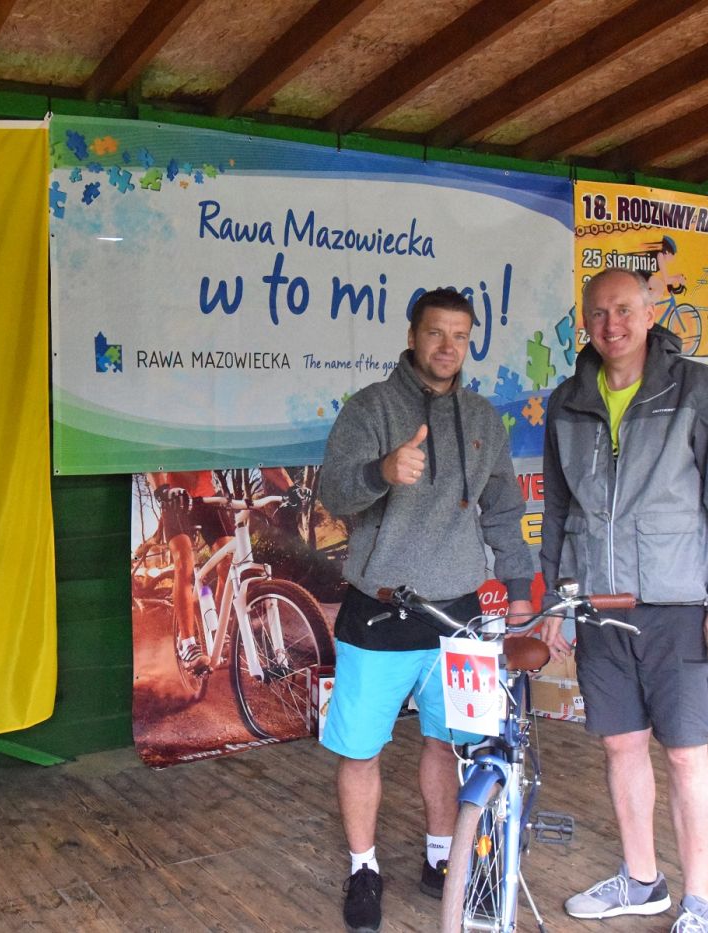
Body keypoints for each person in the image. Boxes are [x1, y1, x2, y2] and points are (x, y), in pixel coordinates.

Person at [540, 269, 708, 933]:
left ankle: (698, 903)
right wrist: (558, 599)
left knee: (686, 752)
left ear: (650, 311)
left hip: (678, 603)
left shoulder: (698, 389)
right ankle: (641, 880)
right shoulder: (568, 400)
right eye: (599, 313)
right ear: (585, 321)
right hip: (600, 606)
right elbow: (559, 509)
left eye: (625, 309)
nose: (613, 325)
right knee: (621, 747)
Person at [317, 287, 535, 933]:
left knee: (448, 744)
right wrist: (381, 470)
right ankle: (363, 868)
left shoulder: (482, 417)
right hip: (380, 611)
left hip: (459, 616)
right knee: (361, 749)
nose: (448, 346)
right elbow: (333, 492)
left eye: (460, 335)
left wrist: (519, 587)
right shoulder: (370, 408)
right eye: (436, 332)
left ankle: (443, 856)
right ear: (413, 337)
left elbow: (503, 508)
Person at [148, 468, 309, 674]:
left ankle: (217, 631)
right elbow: (155, 460)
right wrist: (162, 490)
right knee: (184, 562)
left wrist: (291, 488)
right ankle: (186, 642)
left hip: (210, 499)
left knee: (229, 560)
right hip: (175, 499)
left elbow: (263, 459)